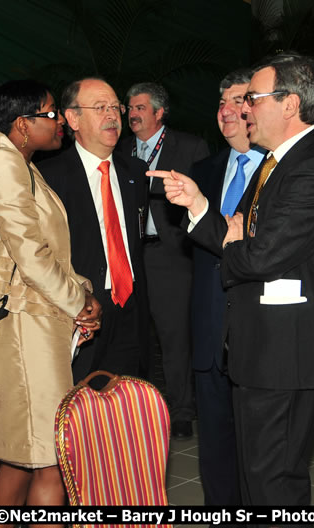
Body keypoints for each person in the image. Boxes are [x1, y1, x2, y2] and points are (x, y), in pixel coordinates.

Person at [150, 53, 314, 528]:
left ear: (290, 104)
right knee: (257, 482)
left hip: (286, 356)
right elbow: (241, 239)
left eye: (254, 99)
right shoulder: (277, 164)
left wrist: (240, 242)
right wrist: (200, 207)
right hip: (260, 351)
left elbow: (257, 258)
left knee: (274, 488)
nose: (244, 109)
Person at [0, 80, 101, 528]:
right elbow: (31, 256)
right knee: (48, 458)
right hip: (23, 328)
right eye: (50, 113)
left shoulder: (20, 163)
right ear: (22, 124)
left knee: (21, 456)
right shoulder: (2, 165)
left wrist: (83, 292)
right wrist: (80, 302)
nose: (59, 120)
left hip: (36, 321)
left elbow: (49, 252)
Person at [189, 68, 264, 528]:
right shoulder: (203, 172)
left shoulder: (280, 170)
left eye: (238, 100)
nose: (226, 110)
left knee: (259, 449)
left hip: (258, 331)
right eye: (221, 102)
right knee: (214, 445)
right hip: (209, 327)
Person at [38, 78, 149, 384]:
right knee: (79, 401)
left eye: (115, 107)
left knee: (126, 400)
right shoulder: (48, 178)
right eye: (100, 108)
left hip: (130, 307)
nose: (112, 116)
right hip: (80, 311)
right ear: (72, 119)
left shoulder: (135, 172)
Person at [118, 82, 209, 439]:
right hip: (130, 255)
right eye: (130, 108)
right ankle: (137, 406)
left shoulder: (189, 147)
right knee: (133, 335)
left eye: (140, 107)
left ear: (159, 112)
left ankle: (182, 409)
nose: (132, 114)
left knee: (174, 336)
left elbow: (204, 201)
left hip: (170, 255)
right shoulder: (120, 149)